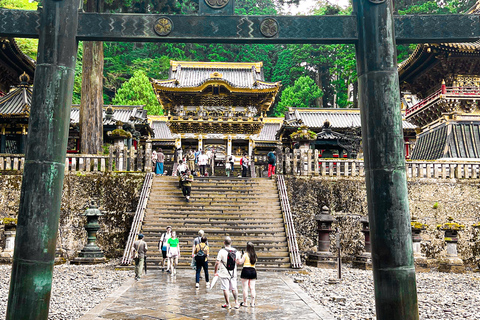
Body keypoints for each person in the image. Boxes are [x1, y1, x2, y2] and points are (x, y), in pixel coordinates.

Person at [214, 236, 241, 309]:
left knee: (225, 288)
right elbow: (238, 262)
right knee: (234, 288)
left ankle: (228, 304)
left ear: (224, 243)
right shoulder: (236, 251)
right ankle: (236, 303)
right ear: (231, 243)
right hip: (233, 273)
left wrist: (215, 272)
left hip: (224, 272)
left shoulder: (221, 251)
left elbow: (217, 263)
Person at [237, 242, 257, 307]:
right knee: (252, 288)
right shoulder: (255, 255)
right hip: (253, 271)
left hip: (245, 270)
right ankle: (252, 303)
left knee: (245, 288)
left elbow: (240, 262)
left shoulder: (245, 255)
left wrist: (239, 257)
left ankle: (245, 303)